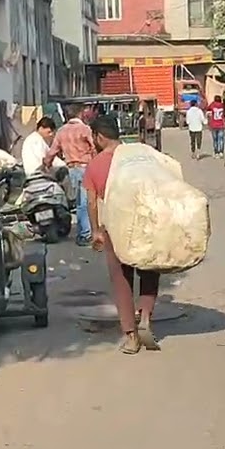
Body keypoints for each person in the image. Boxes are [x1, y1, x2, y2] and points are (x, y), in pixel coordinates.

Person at [83, 115, 161, 355]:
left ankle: (130, 336)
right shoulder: (140, 155)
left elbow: (92, 202)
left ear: (100, 137)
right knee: (149, 268)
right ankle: (145, 314)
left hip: (115, 226)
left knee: (121, 278)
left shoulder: (96, 164)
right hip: (145, 221)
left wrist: (96, 230)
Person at [44, 105, 97, 246]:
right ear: (80, 114)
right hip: (86, 168)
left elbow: (52, 151)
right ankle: (86, 233)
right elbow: (94, 147)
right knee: (87, 202)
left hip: (72, 169)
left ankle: (83, 232)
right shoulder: (85, 130)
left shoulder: (61, 132)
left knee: (79, 203)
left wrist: (46, 165)